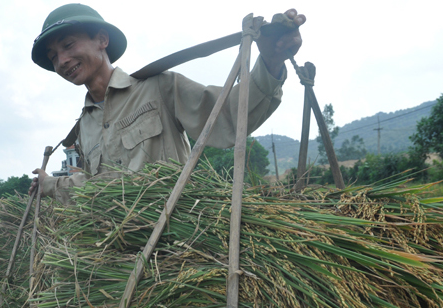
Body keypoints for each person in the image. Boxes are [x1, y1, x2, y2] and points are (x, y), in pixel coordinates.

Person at [29, 4, 306, 204]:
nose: (61, 61)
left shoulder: (158, 86)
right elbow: (92, 190)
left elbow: (228, 117)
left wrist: (270, 63)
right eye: (53, 56)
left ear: (102, 40)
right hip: (115, 258)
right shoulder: (84, 126)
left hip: (175, 246)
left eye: (68, 45)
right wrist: (49, 184)